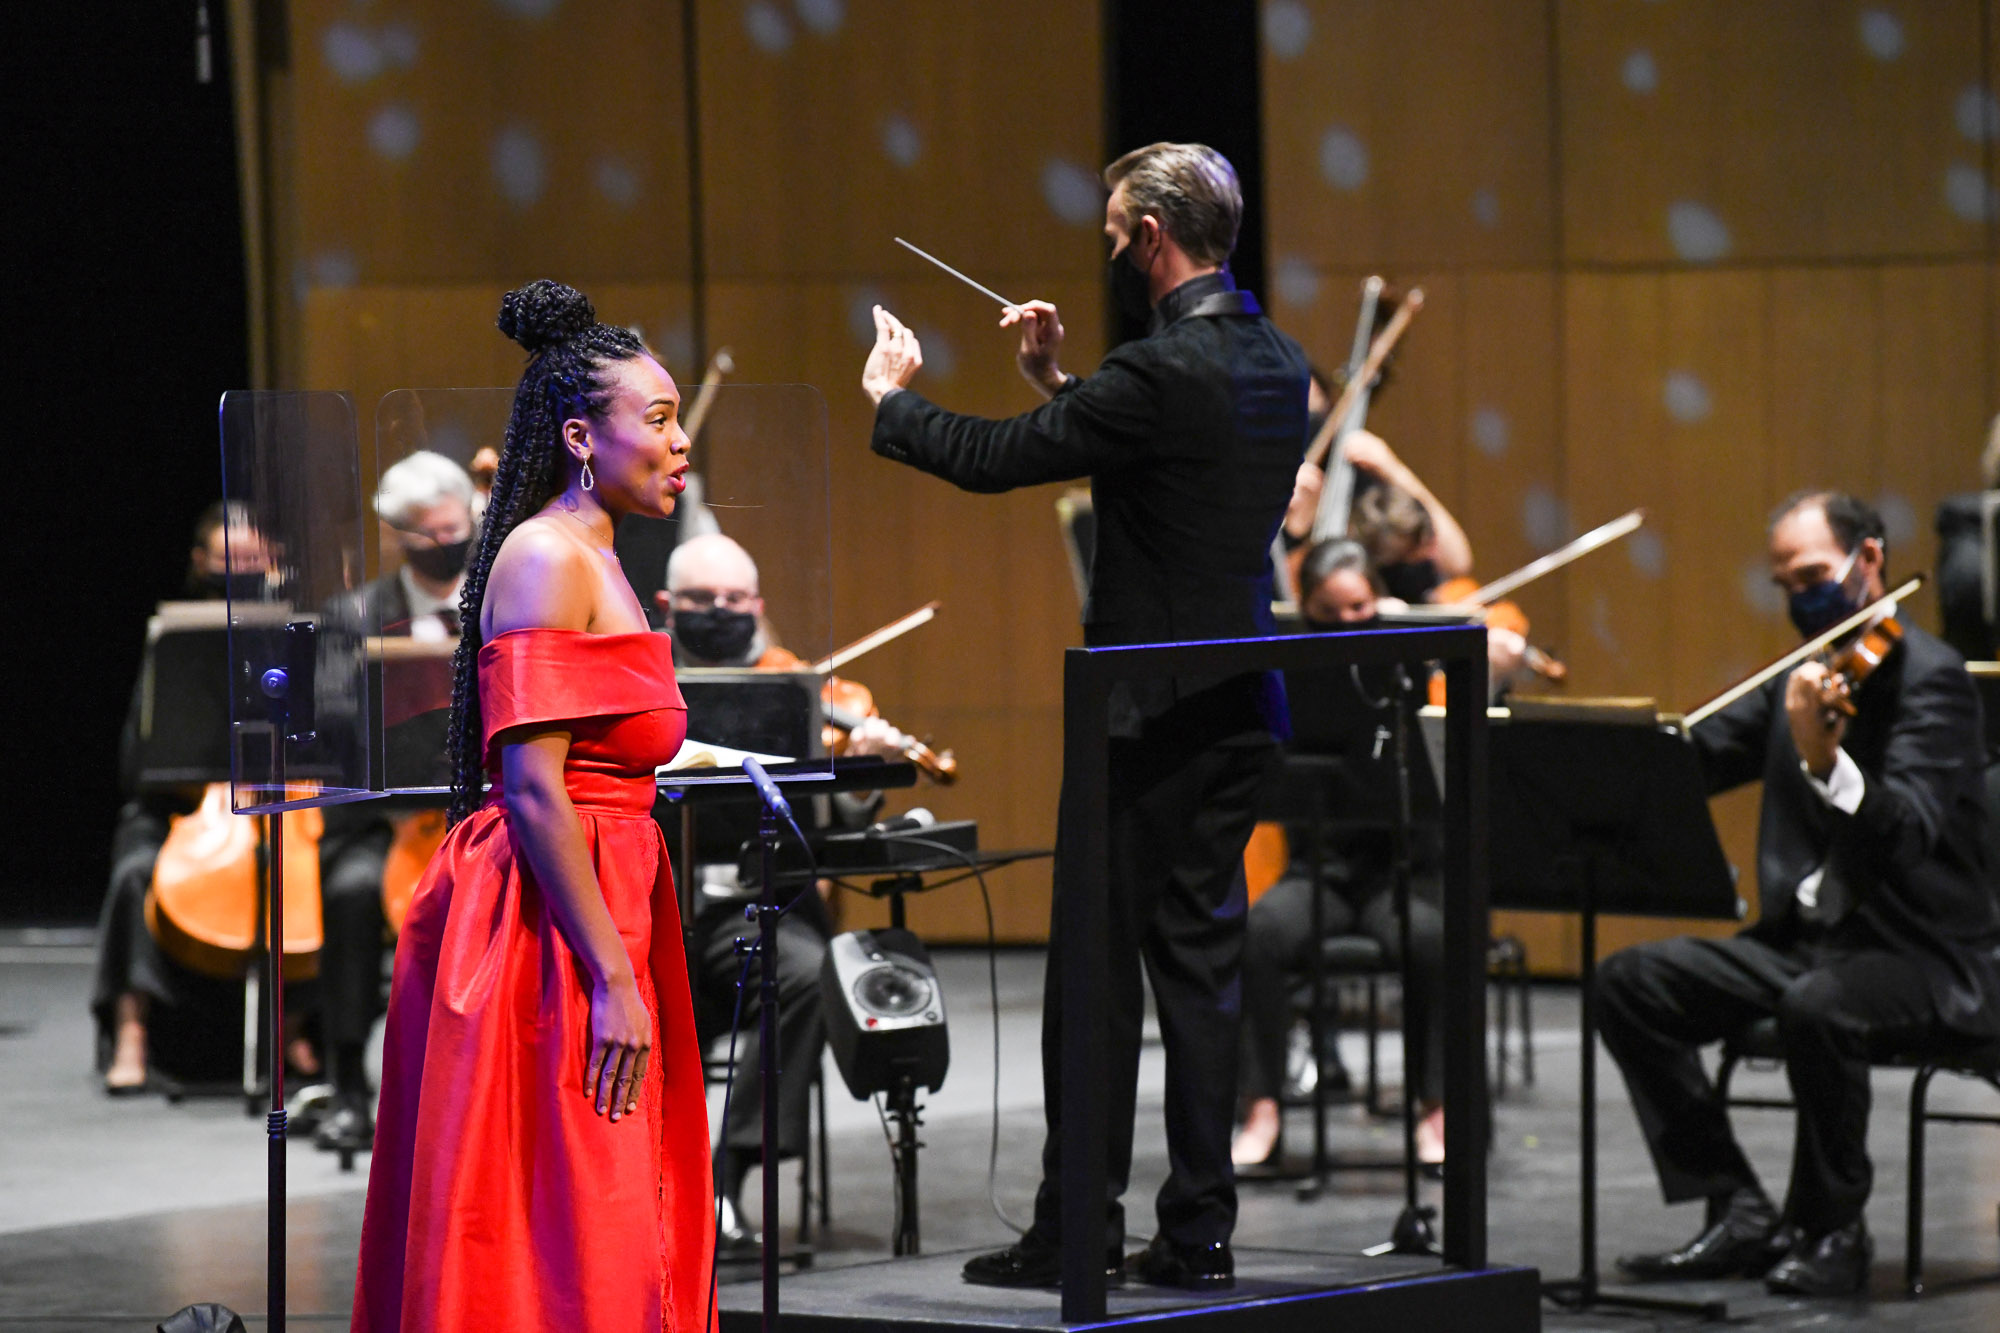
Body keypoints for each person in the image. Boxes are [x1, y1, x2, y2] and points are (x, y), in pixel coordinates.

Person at [862, 142, 1307, 1291]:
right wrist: (1059, 379)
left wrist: (893, 402)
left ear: (1150, 238)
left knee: (1093, 981)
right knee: (1200, 973)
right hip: (1236, 704)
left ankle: (1076, 1230)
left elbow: (997, 460)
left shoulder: (1159, 372)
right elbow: (1163, 461)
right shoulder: (1275, 359)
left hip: (1142, 716)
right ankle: (1198, 1231)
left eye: (1112, 236)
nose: (1107, 252)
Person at [352, 279, 713, 1332]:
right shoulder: (549, 556)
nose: (680, 441)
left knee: (595, 1196)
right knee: (560, 1212)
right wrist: (611, 977)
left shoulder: (593, 548)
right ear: (578, 436)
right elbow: (532, 786)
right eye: (656, 419)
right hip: (549, 928)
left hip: (601, 898)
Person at [1597, 491, 2000, 1298]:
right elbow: (1698, 755)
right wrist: (1599, 759)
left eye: (1814, 575)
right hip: (1813, 943)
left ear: (1871, 561)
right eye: (1785, 584)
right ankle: (1737, 1206)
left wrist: (1830, 764)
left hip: (1924, 951)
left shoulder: (1933, 682)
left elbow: (1910, 828)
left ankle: (1833, 1230)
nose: (1800, 598)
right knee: (1630, 982)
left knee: (1821, 1006)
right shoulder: (1806, 677)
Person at [653, 530, 910, 1254]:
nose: (721, 611)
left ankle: (725, 1177)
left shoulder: (799, 686)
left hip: (754, 907)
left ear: (758, 604)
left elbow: (841, 818)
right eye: (703, 600)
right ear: (668, 605)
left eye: (735, 599)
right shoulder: (640, 681)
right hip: (651, 903)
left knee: (803, 974)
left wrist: (863, 768)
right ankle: (629, 1188)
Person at [1233, 539, 1449, 1170]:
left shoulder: (1402, 666)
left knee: (1433, 940)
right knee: (1258, 934)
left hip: (1394, 873)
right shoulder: (1291, 675)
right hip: (1319, 871)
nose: (1351, 624)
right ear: (1307, 609)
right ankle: (1262, 1106)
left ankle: (1435, 1107)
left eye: (1361, 608)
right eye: (1333, 612)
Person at [92, 503, 308, 1092]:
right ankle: (131, 1026)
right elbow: (137, 755)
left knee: (309, 870)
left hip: (269, 798)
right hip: (178, 805)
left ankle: (296, 1029)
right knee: (137, 869)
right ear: (199, 562)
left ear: (277, 563)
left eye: (253, 562)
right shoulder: (174, 639)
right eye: (224, 562)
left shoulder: (295, 635)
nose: (237, 572)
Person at [312, 450, 480, 1154]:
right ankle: (350, 1084)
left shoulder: (503, 598)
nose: (450, 545)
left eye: (457, 530)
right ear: (398, 537)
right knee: (350, 890)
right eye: (431, 538)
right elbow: (329, 721)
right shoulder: (351, 615)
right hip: (381, 815)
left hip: (477, 809)